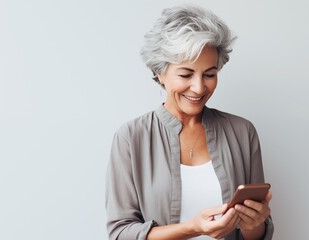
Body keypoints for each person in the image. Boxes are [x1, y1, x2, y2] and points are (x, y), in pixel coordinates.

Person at [105, 5, 274, 240]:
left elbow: (257, 234)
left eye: (209, 74)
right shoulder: (131, 137)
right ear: (160, 72)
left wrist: (253, 223)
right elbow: (120, 233)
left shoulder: (242, 132)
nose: (199, 87)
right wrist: (193, 228)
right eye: (186, 74)